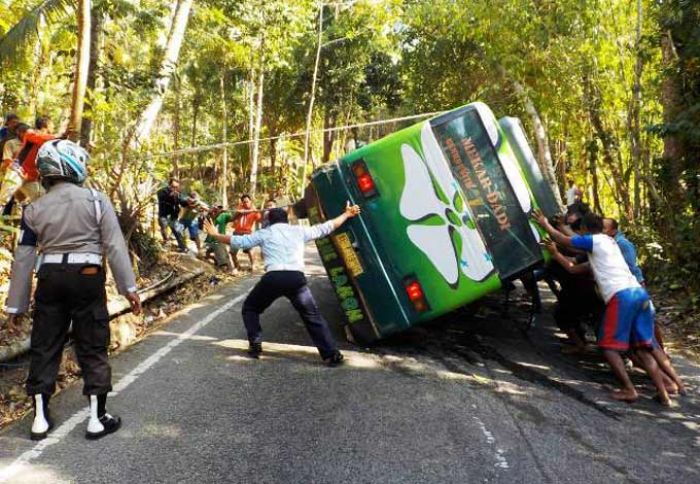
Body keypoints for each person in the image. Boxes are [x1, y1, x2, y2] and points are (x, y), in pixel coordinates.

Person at [4, 139, 141, 441]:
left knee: (45, 344)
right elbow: (115, 246)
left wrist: (16, 306)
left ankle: (39, 419)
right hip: (87, 274)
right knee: (92, 342)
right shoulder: (96, 199)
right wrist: (128, 288)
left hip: (50, 276)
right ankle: (97, 418)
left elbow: (25, 256)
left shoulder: (33, 208)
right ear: (74, 166)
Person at [533, 209, 684, 406]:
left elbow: (566, 241)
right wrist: (554, 252)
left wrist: (545, 224)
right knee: (644, 347)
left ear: (586, 229)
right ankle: (670, 389)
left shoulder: (595, 240)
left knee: (607, 345)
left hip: (623, 296)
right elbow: (573, 267)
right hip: (638, 293)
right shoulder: (608, 247)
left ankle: (630, 389)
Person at [203, 201, 361, 365]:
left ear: (269, 221)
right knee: (312, 316)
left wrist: (215, 235)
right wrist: (347, 214)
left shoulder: (265, 233)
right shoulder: (299, 231)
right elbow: (326, 227)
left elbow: (239, 242)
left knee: (250, 308)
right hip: (296, 279)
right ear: (286, 220)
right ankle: (331, 354)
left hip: (273, 278)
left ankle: (255, 344)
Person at [602, 218, 644, 285]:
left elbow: (631, 266)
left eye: (604, 228)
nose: (601, 231)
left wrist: (639, 282)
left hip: (631, 283)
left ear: (613, 231)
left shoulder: (622, 243)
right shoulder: (609, 243)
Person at [231, 194, 262, 271]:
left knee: (249, 250)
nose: (246, 203)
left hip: (247, 233)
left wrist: (256, 211)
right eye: (244, 202)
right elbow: (232, 219)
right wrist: (238, 213)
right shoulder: (240, 208)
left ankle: (253, 265)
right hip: (237, 232)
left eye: (247, 201)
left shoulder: (254, 210)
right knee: (232, 252)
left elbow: (260, 219)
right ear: (242, 203)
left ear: (250, 201)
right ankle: (237, 266)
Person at [157, 178, 188, 252]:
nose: (175, 188)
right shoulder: (162, 191)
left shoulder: (178, 193)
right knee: (164, 228)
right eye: (173, 186)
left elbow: (182, 202)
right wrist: (170, 195)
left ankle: (182, 247)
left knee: (177, 231)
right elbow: (161, 198)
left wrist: (188, 202)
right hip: (164, 214)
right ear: (169, 185)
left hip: (173, 215)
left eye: (176, 187)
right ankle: (166, 243)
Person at [204, 203, 236, 272]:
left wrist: (239, 213)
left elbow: (233, 218)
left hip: (219, 240)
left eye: (220, 207)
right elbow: (211, 218)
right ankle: (217, 261)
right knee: (203, 254)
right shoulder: (210, 215)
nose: (218, 208)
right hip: (209, 240)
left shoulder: (224, 215)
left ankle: (229, 270)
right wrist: (213, 211)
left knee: (223, 259)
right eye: (217, 207)